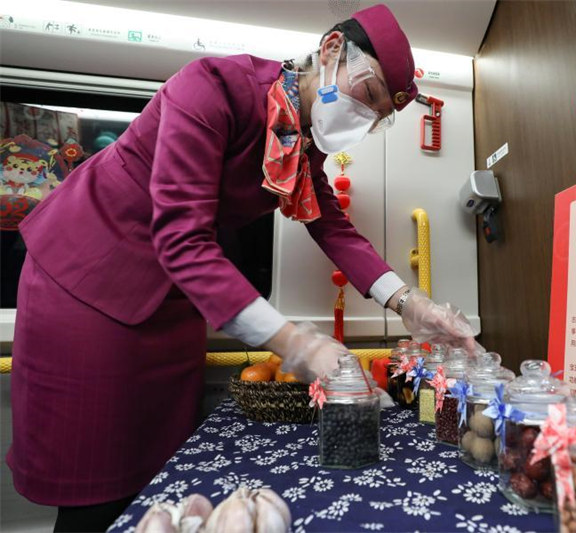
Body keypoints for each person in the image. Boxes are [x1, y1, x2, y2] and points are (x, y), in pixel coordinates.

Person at [6, 4, 478, 532]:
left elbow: (332, 226)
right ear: (330, 51)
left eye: (376, 116)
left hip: (176, 299)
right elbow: (182, 236)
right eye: (366, 94)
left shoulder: (299, 141)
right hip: (88, 281)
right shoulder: (210, 88)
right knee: (95, 480)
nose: (364, 116)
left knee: (167, 478)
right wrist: (295, 343)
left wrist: (413, 305)